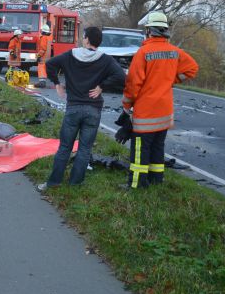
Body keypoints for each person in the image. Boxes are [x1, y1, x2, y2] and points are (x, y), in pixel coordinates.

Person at [37, 27, 126, 192]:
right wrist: (101, 86)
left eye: (83, 36)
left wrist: (57, 84)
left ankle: (53, 183)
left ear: (86, 39)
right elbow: (121, 77)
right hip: (93, 109)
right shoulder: (105, 60)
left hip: (73, 108)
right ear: (99, 42)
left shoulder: (71, 55)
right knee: (85, 148)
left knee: (65, 147)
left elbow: (49, 64)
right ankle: (75, 184)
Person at [119, 12, 198, 189]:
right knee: (157, 148)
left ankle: (137, 185)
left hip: (145, 113)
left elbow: (133, 84)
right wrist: (172, 80)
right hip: (164, 113)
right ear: (165, 31)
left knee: (140, 150)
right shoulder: (175, 52)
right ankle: (156, 181)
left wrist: (126, 105)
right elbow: (192, 69)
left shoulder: (144, 52)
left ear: (149, 31)